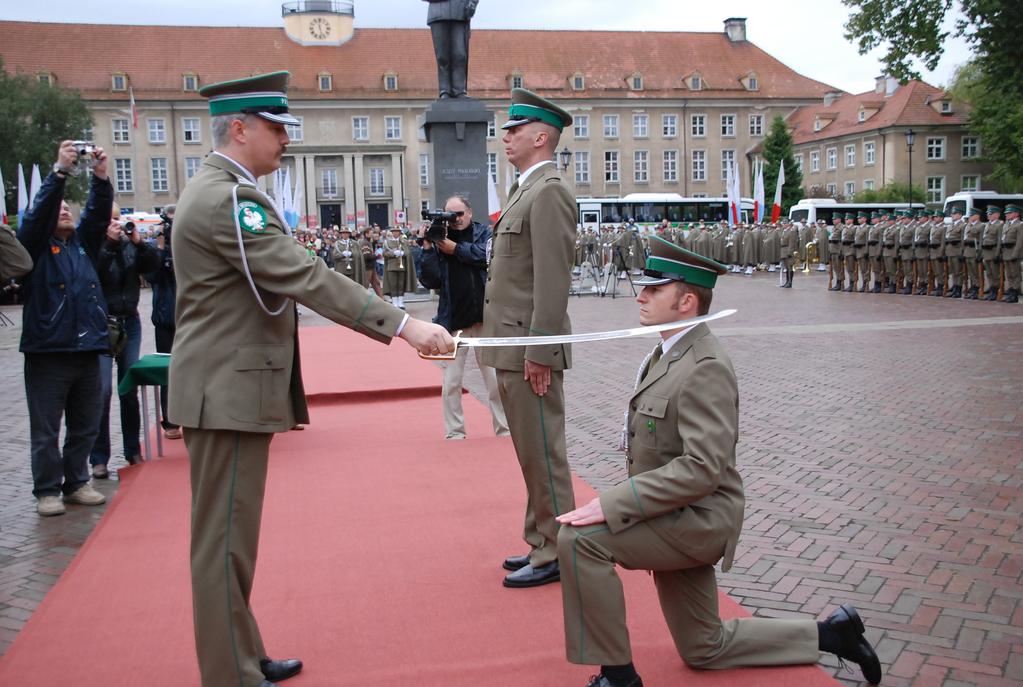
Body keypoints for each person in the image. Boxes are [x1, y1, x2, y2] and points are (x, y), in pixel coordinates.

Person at [169, 71, 454, 687]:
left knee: (231, 543)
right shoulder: (229, 199)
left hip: (229, 386)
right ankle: (231, 674)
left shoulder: (223, 189)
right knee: (223, 546)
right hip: (227, 390)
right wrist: (404, 326)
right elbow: (306, 276)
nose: (285, 142)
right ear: (239, 129)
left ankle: (242, 653)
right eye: (275, 129)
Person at [556, 236, 883, 687]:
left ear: (687, 301)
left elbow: (703, 468)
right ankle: (832, 635)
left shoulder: (704, 364)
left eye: (655, 289)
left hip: (697, 520)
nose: (641, 295)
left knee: (580, 542)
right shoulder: (668, 352)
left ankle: (618, 676)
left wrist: (616, 503)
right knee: (704, 647)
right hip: (672, 512)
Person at [482, 88, 576, 589]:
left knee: (543, 450)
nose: (507, 135)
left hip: (529, 349)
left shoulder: (549, 191)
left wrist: (540, 352)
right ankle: (540, 538)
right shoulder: (525, 188)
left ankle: (560, 551)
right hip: (512, 344)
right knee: (529, 448)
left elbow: (552, 282)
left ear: (541, 137)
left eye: (515, 129)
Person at [17, 141, 112, 516]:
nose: (64, 211)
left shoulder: (84, 245)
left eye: (67, 207)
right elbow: (39, 215)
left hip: (87, 348)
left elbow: (98, 216)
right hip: (48, 350)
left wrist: (101, 179)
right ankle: (47, 490)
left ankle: (76, 482)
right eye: (57, 208)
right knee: (46, 430)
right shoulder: (34, 247)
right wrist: (60, 173)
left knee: (84, 425)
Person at [418, 194, 509, 440]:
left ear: (469, 212)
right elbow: (430, 280)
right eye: (449, 214)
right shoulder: (439, 237)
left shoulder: (485, 233)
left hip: (484, 318)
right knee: (452, 382)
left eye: (458, 214)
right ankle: (455, 432)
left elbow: (487, 257)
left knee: (493, 381)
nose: (454, 219)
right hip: (453, 322)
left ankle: (504, 428)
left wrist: (455, 249)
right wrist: (427, 248)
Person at [89, 203, 160, 477]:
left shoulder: (130, 244)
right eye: (110, 220)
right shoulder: (93, 243)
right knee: (102, 390)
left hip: (129, 320)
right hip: (103, 322)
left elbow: (151, 266)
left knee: (128, 387)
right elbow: (95, 273)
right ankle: (99, 457)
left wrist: (140, 244)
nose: (116, 225)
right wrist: (108, 243)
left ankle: (132, 449)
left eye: (118, 219)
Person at [147, 205, 181, 439]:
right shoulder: (155, 248)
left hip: (190, 316)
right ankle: (169, 421)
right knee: (167, 370)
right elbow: (150, 275)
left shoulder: (188, 244)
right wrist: (160, 249)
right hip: (164, 317)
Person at [423, 0, 478, 99]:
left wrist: (472, 3)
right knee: (442, 57)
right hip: (438, 13)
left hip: (460, 13)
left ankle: (459, 90)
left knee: (460, 55)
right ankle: (445, 90)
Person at [1000, 204, 1020, 303]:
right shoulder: (1006, 224)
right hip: (1006, 251)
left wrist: (1015, 254)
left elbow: (1020, 242)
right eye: (1006, 213)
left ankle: (1015, 293)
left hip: (1013, 252)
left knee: (1015, 274)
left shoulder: (1019, 225)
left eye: (1009, 213)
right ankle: (1011, 290)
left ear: (1016, 214)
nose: (1007, 215)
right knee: (1009, 274)